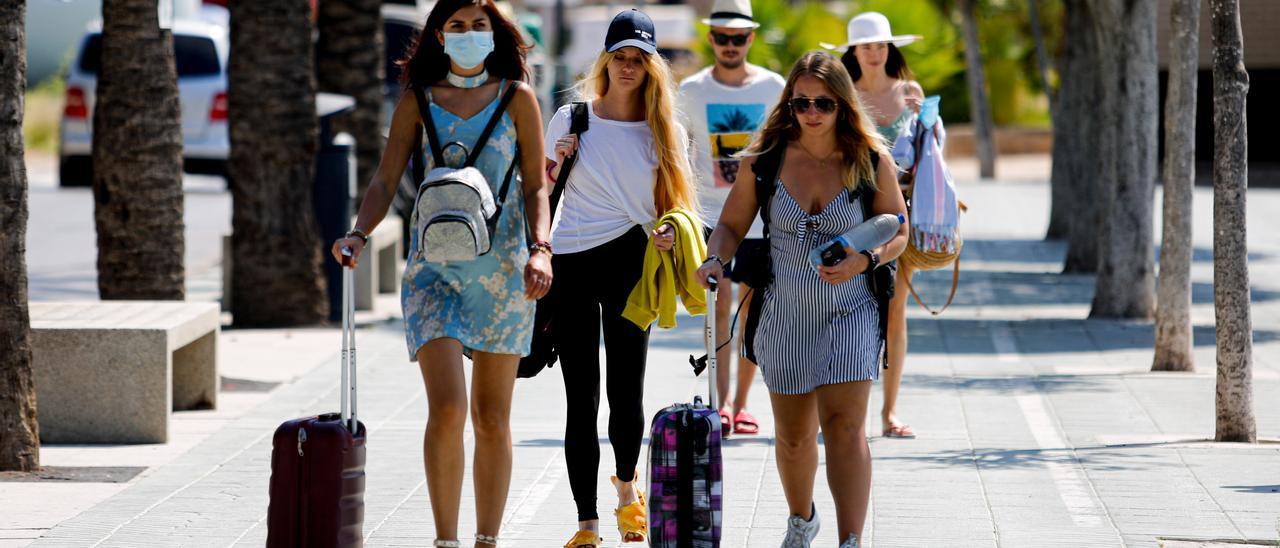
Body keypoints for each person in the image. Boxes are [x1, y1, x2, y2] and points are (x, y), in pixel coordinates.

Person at [329, 0, 553, 545]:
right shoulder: (417, 101)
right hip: (434, 271)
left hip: (504, 273)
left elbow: (534, 184)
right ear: (438, 35)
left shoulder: (517, 99)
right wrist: (358, 233)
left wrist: (541, 248)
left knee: (492, 417)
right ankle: (445, 540)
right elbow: (384, 182)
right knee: (449, 408)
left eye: (480, 25)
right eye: (457, 25)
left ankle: (487, 540)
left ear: (496, 34)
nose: (469, 34)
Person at [697, 51, 907, 548]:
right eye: (801, 103)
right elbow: (730, 225)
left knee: (845, 427)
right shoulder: (765, 160)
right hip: (784, 313)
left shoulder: (868, 159)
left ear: (843, 104)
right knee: (792, 436)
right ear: (788, 104)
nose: (812, 113)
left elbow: (898, 229)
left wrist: (866, 260)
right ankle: (801, 519)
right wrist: (715, 259)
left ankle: (850, 538)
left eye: (824, 104)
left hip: (850, 310)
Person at [544, 9, 699, 548]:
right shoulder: (571, 118)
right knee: (578, 393)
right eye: (620, 58)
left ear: (652, 66)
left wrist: (669, 234)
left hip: (634, 260)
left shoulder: (666, 129)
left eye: (639, 59)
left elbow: (676, 204)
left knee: (626, 389)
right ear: (605, 61)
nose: (628, 68)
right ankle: (587, 524)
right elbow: (539, 197)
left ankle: (628, 490)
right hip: (571, 260)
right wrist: (554, 163)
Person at [677, 0, 785, 438]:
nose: (729, 45)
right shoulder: (690, 91)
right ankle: (718, 405)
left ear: (750, 39)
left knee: (753, 312)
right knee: (717, 309)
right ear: (710, 38)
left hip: (763, 219)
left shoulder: (774, 87)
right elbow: (677, 155)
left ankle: (742, 404)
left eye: (737, 38)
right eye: (721, 37)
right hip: (709, 217)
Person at [834, 11, 940, 440]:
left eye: (880, 45)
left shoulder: (909, 92)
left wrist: (927, 121)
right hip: (849, 211)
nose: (875, 53)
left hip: (899, 211)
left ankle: (889, 411)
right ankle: (846, 406)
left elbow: (933, 149)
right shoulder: (840, 95)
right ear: (853, 52)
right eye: (866, 46)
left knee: (895, 313)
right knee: (842, 306)